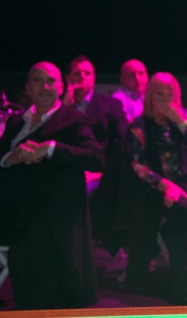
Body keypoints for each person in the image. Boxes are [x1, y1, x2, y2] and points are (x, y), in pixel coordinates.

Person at [0, 61, 105, 309]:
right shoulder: (17, 122)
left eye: (51, 81)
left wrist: (50, 149)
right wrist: (11, 158)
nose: (45, 87)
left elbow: (97, 159)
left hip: (45, 215)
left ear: (61, 87)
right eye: (38, 81)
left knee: (35, 259)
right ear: (28, 88)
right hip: (7, 210)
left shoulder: (73, 121)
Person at [124, 72, 187, 304]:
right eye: (159, 95)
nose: (165, 101)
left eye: (169, 96)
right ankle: (180, 281)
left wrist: (179, 122)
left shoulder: (184, 118)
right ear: (150, 97)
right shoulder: (139, 126)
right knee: (182, 210)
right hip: (155, 185)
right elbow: (137, 166)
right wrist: (164, 185)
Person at [63, 55, 131, 254]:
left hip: (100, 171)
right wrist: (65, 104)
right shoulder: (60, 107)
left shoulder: (110, 105)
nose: (82, 77)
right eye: (77, 73)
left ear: (94, 78)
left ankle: (78, 245)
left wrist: (101, 171)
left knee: (80, 192)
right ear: (68, 78)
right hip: (66, 167)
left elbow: (122, 143)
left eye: (87, 73)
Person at [112, 59, 149, 123]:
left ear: (147, 77)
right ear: (122, 79)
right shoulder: (117, 99)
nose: (137, 78)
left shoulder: (151, 95)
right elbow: (124, 125)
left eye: (141, 74)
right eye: (132, 75)